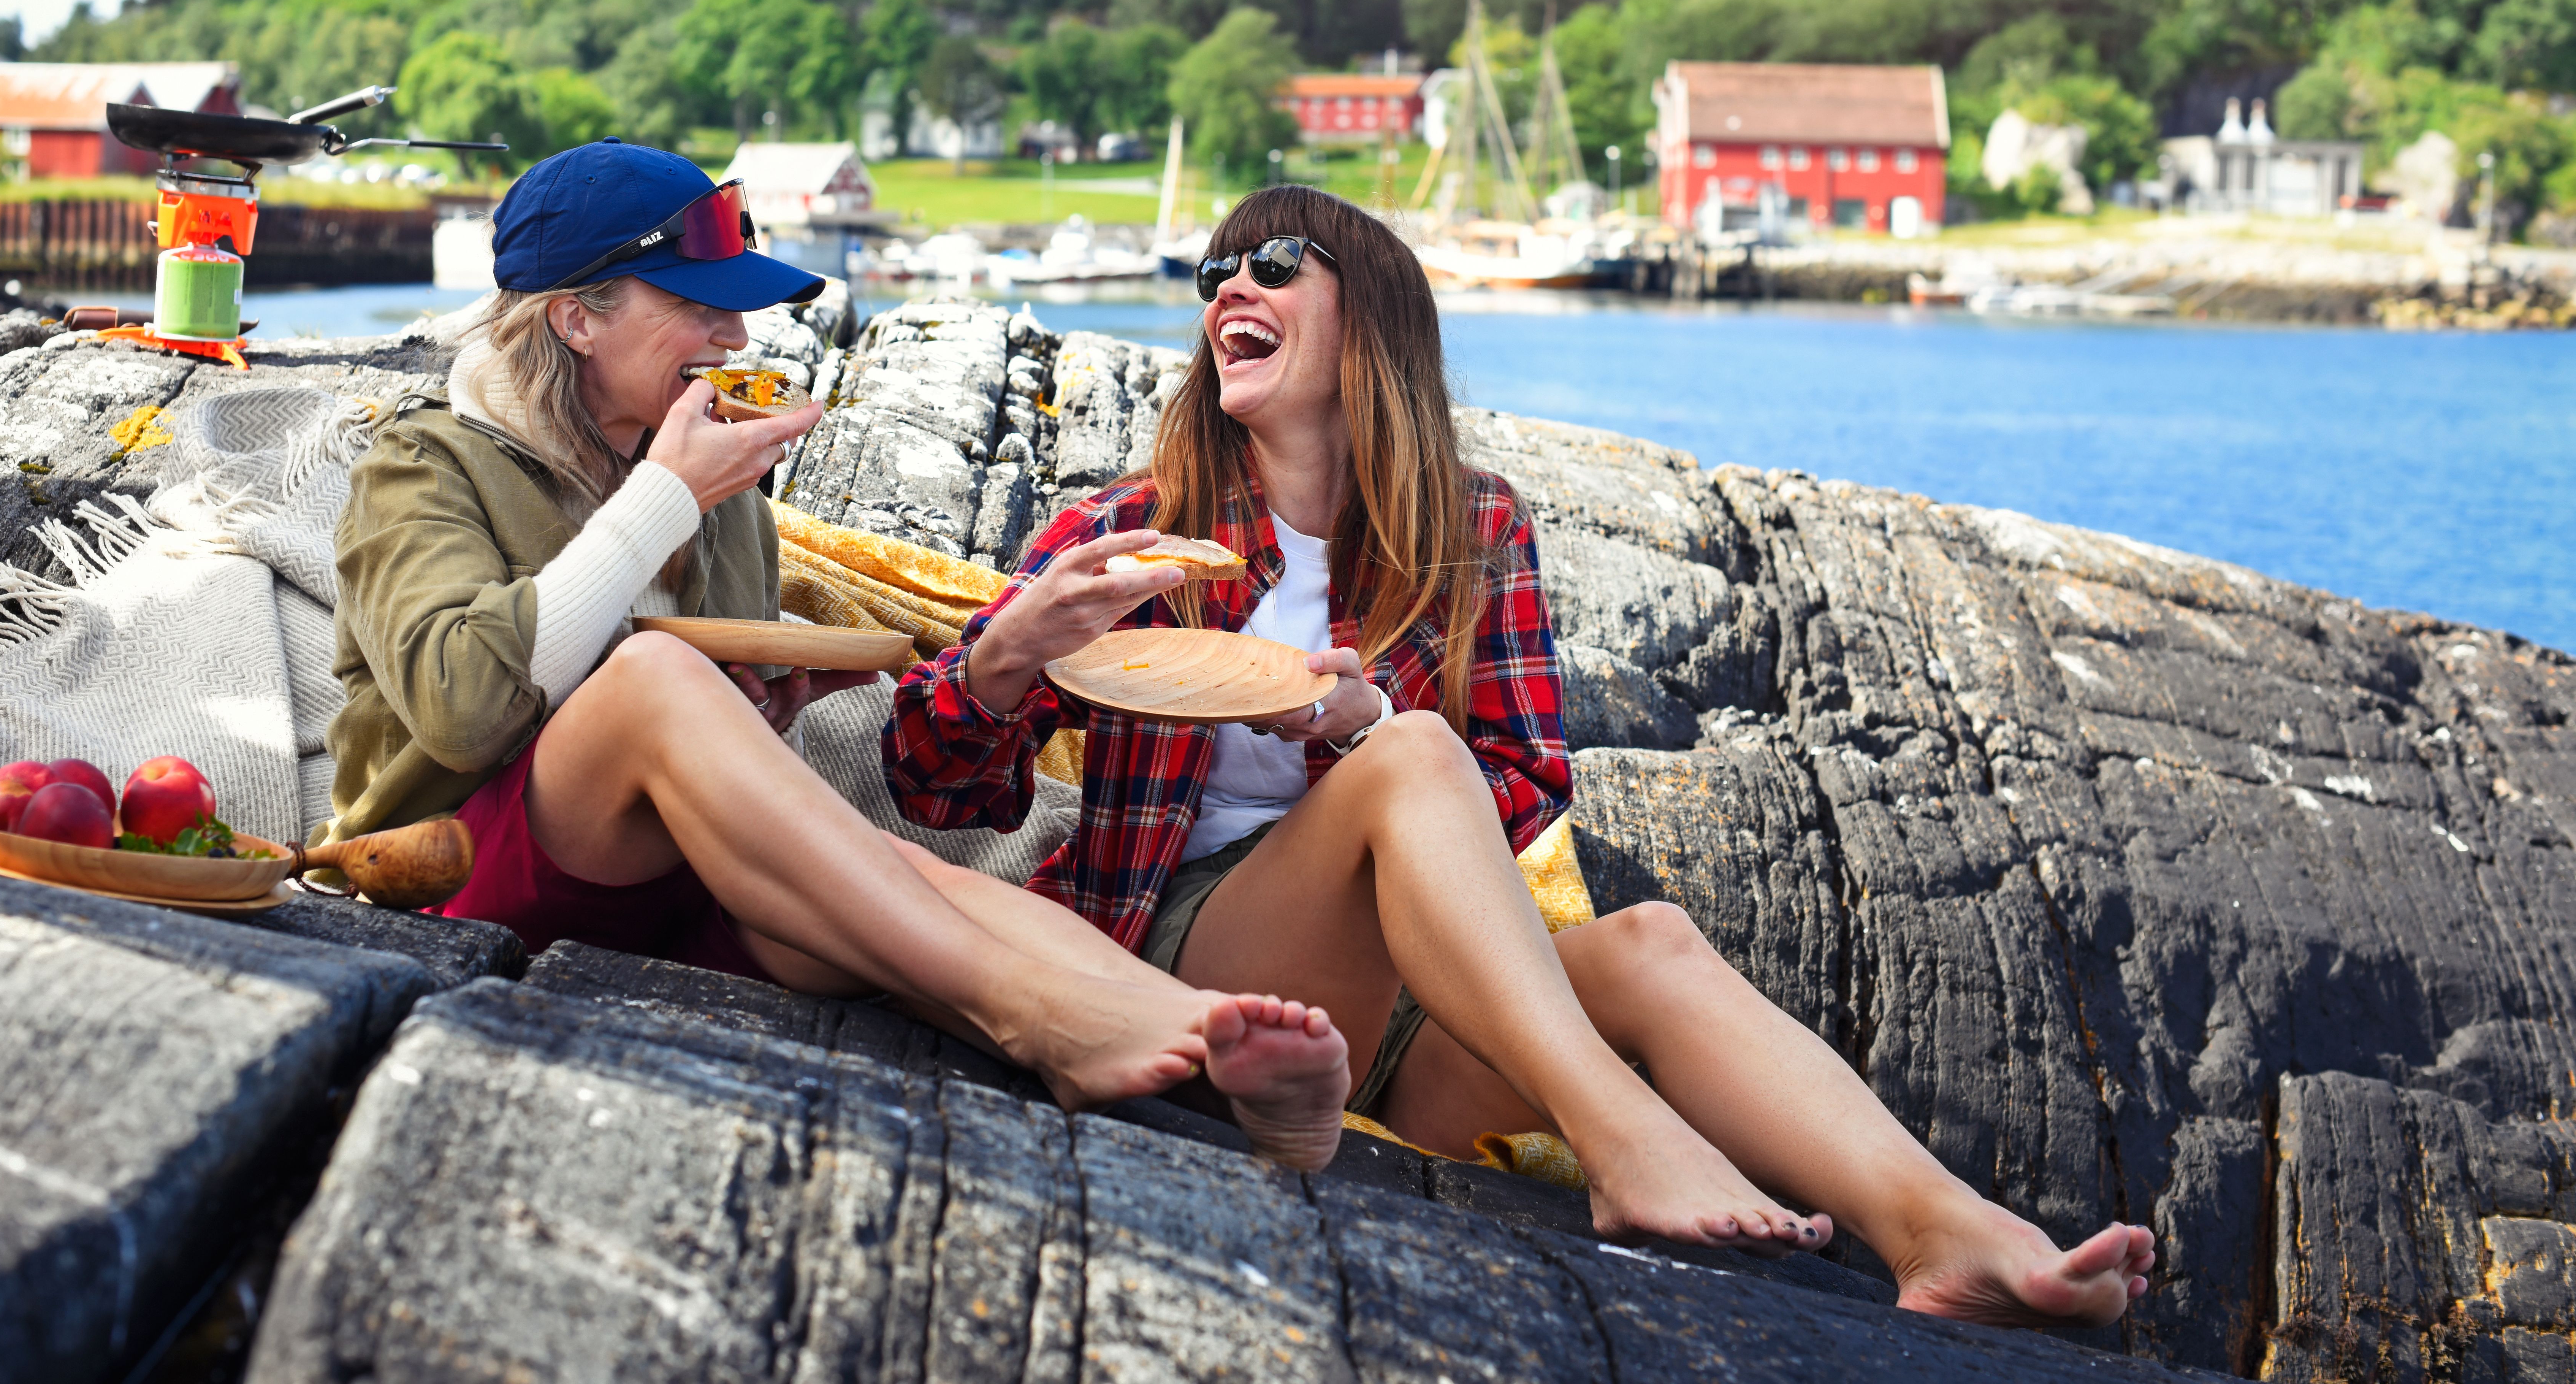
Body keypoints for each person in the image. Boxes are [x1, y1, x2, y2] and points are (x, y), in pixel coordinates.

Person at [885, 183, 2157, 1327]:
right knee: (1411, 749)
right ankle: (1626, 1143)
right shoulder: (1127, 531)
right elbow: (929, 784)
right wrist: (1005, 661)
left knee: (1649, 944)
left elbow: (1528, 781)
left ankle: (1949, 1239)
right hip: (1191, 969)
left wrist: (1359, 725)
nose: (1231, 287)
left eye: (1275, 263)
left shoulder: (1472, 524)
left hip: (1403, 1017)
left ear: (1371, 320)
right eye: (1216, 273)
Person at [323, 140, 1352, 1162]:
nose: (735, 334)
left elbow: (702, 707)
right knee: (655, 682)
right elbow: (463, 708)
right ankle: (1039, 1019)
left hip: (669, 882)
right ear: (574, 316)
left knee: (898, 877)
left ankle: (1212, 1058)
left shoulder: (720, 490)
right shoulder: (424, 464)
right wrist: (663, 504)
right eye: (698, 303)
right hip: (457, 873)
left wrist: (766, 704)